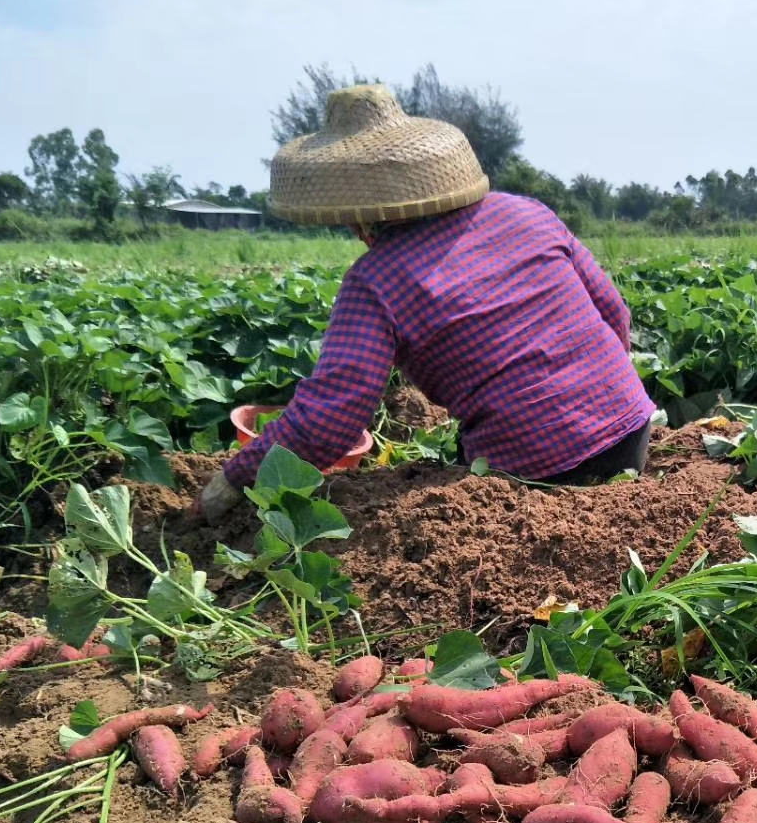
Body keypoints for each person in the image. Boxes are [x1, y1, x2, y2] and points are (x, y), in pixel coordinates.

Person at [192, 84, 655, 522]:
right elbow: (613, 312)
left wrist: (232, 480)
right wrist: (599, 400)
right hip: (633, 432)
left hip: (534, 471)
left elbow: (332, 415)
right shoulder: (527, 211)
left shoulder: (374, 281)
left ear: (356, 221)